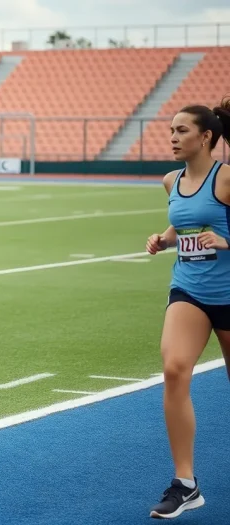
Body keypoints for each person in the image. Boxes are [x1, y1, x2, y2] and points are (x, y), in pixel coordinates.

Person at [145, 99, 230, 519]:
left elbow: (217, 227)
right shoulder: (170, 181)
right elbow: (187, 221)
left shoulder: (228, 179)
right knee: (175, 368)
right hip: (190, 290)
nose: (173, 137)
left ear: (207, 137)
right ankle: (186, 484)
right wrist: (165, 238)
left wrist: (228, 242)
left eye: (181, 130)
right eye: (171, 130)